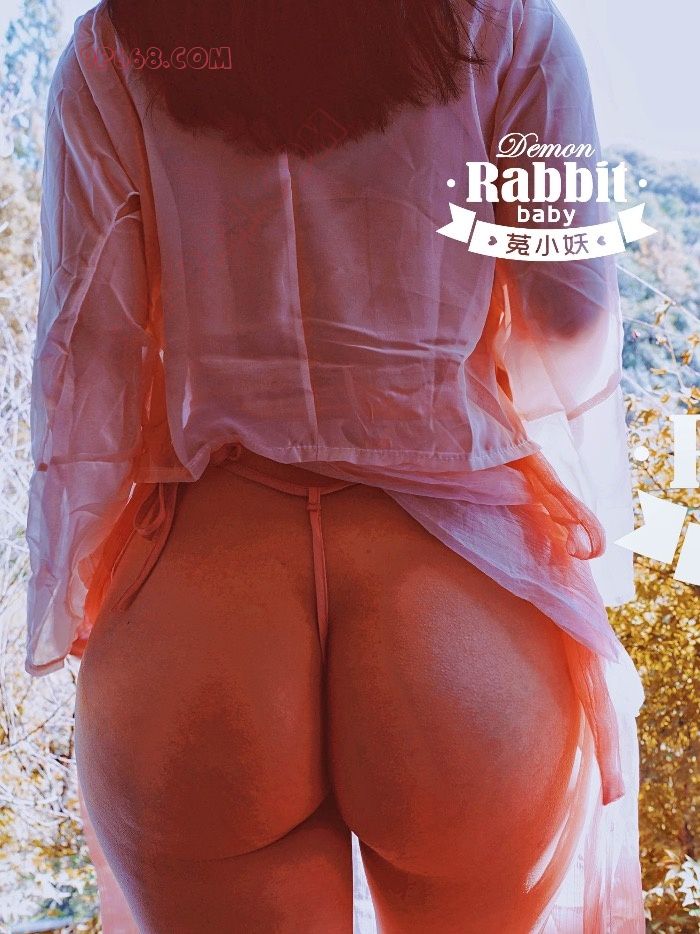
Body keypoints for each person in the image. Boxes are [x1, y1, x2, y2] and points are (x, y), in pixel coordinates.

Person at [25, 0, 646, 930]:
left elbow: (86, 359)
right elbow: (571, 319)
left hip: (201, 612)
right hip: (458, 604)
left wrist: (75, 585)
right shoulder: (511, 28)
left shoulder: (119, 45)